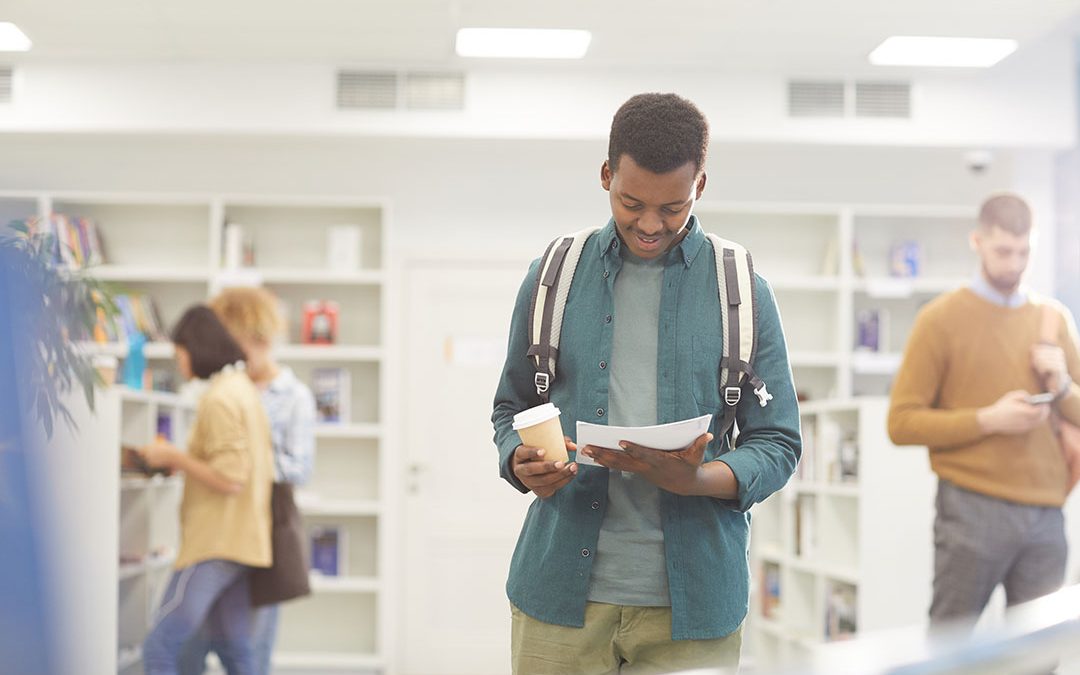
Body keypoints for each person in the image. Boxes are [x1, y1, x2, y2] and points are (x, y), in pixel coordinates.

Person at [491, 92, 801, 674]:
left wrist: (699, 478)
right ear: (606, 174)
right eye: (631, 202)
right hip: (559, 595)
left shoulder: (744, 292)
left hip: (694, 607)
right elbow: (513, 407)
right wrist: (519, 460)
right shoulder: (553, 276)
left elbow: (778, 441)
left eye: (674, 207)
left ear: (700, 186)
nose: (651, 225)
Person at [888, 193, 1080, 631]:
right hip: (971, 510)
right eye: (1003, 251)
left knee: (1041, 656)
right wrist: (989, 419)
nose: (1014, 264)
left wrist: (1062, 385)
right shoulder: (940, 319)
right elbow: (900, 423)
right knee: (951, 650)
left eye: (1024, 252)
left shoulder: (1055, 319)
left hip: (1047, 513)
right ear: (977, 241)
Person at [178, 286, 317, 675]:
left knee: (249, 654)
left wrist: (244, 463)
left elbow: (299, 468)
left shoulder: (294, 397)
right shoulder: (217, 387)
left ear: (256, 337)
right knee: (188, 647)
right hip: (215, 532)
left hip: (261, 538)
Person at [140, 305, 274, 675]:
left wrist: (173, 457)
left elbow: (231, 478)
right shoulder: (243, 390)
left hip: (214, 543)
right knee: (236, 652)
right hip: (243, 541)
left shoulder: (219, 398)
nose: (178, 362)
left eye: (178, 353)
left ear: (194, 347)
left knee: (160, 647)